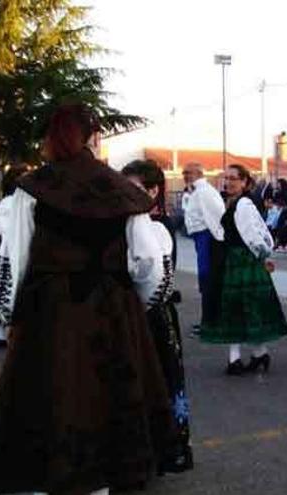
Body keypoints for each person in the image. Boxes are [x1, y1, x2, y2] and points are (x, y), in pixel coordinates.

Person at [0, 103, 179, 494]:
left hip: (49, 311)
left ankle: (49, 481)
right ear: (93, 136)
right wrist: (138, 304)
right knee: (108, 402)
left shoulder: (33, 189)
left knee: (50, 398)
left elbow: (13, 259)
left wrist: (9, 316)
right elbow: (150, 262)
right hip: (113, 310)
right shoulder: (122, 190)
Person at [122, 159, 194, 473]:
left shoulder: (157, 227)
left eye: (134, 188)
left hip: (153, 316)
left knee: (162, 380)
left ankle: (170, 448)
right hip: (135, 315)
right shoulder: (128, 221)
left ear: (153, 190)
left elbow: (156, 282)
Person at [200, 164, 287, 375]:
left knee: (241, 308)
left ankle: (240, 359)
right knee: (237, 309)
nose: (229, 182)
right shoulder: (230, 201)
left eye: (233, 178)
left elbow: (255, 233)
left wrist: (265, 256)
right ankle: (256, 355)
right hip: (232, 260)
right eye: (226, 178)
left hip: (244, 262)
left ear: (244, 182)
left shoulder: (244, 204)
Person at [0, 166, 29, 349]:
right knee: (3, 288)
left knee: (17, 289)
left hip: (20, 248)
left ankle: (14, 331)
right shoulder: (8, 202)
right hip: (6, 250)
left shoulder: (28, 201)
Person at [182, 162, 226, 331]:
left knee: (208, 279)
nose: (185, 176)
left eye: (189, 172)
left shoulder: (204, 192)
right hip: (202, 239)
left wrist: (218, 240)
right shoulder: (196, 192)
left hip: (208, 239)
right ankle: (209, 320)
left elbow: (216, 217)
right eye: (184, 173)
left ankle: (210, 322)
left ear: (199, 173)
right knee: (205, 280)